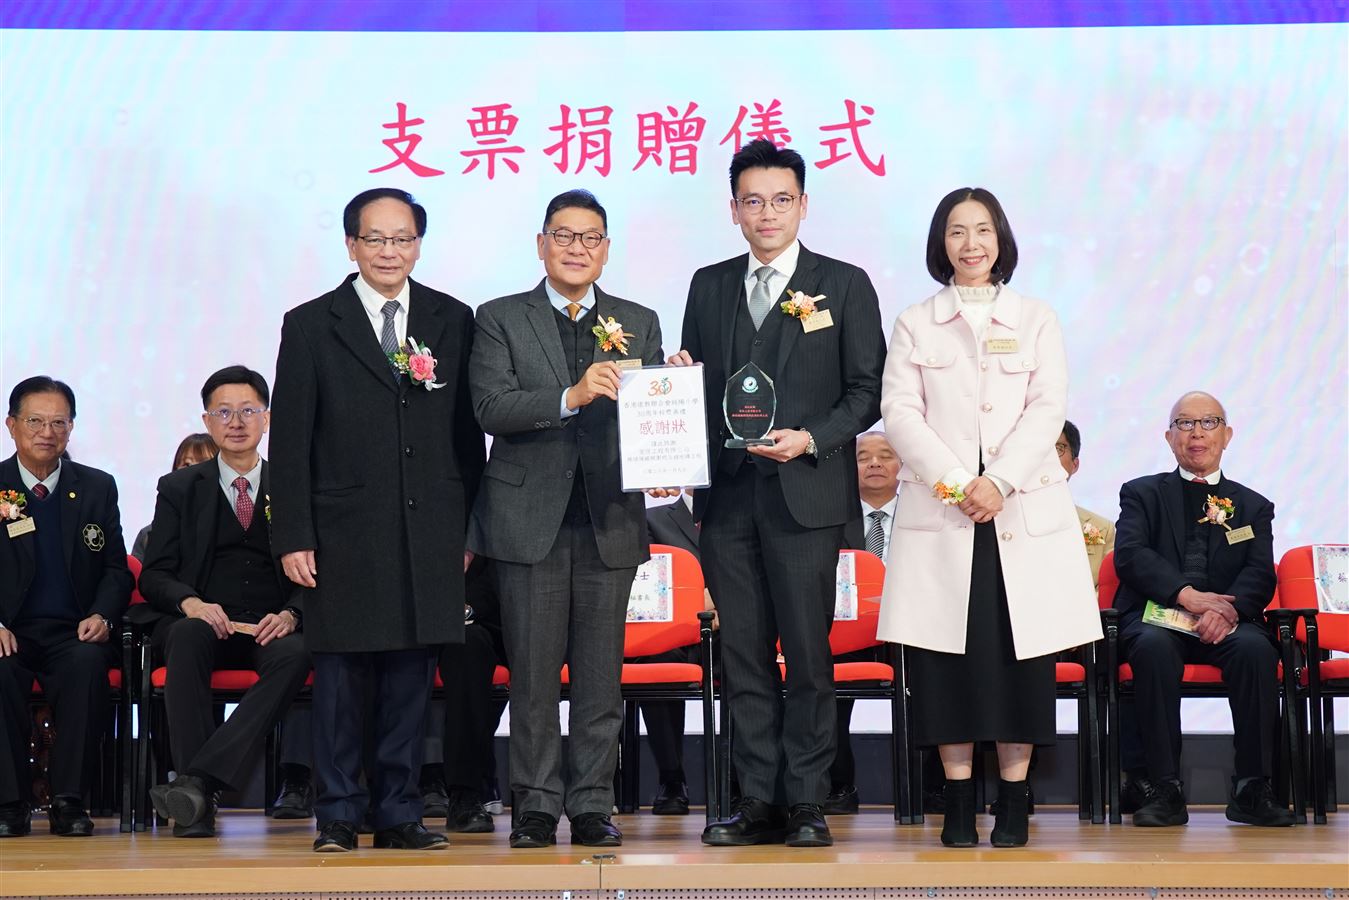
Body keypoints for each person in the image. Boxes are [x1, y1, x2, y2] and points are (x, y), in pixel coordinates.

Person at [665, 139, 886, 848]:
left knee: (809, 656)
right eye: (752, 200)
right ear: (733, 209)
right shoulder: (708, 284)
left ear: (803, 205)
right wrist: (674, 390)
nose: (767, 213)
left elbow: (867, 391)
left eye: (781, 199)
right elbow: (699, 391)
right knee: (744, 657)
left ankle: (807, 801)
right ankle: (756, 799)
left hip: (806, 497)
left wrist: (811, 438)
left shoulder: (842, 284)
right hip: (729, 499)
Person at [876, 187, 1101, 848]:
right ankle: (954, 800)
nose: (970, 244)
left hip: (1018, 508)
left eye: (981, 230)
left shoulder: (1035, 318)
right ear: (939, 243)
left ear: (1000, 239)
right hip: (943, 512)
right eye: (956, 231)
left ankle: (1012, 799)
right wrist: (956, 483)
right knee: (945, 663)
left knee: (1017, 662)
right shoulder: (916, 321)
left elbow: (1047, 406)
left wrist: (998, 481)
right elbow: (900, 412)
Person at [270, 187, 485, 853]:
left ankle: (398, 813)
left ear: (418, 244)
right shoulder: (311, 324)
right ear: (351, 245)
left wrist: (468, 530)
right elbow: (291, 442)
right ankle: (338, 813)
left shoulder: (452, 318)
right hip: (344, 532)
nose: (389, 251)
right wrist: (294, 534)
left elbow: (467, 437)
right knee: (341, 679)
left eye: (402, 239)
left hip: (430, 531)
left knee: (409, 680)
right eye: (375, 239)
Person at [468, 189, 662, 849]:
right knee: (532, 676)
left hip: (609, 521)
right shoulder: (499, 317)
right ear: (541, 244)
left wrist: (671, 426)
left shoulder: (638, 319)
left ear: (606, 249)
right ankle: (533, 806)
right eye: (563, 235)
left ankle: (591, 805)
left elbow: (649, 416)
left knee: (601, 679)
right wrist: (569, 396)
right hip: (528, 523)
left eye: (590, 237)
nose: (577, 248)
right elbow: (491, 407)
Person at [140, 366, 310, 838]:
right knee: (186, 636)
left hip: (270, 626)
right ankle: (200, 801)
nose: (237, 422)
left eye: (248, 411)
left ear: (267, 418)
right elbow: (154, 574)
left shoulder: (295, 485)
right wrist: (191, 603)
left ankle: (196, 786)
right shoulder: (179, 488)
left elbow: (321, 568)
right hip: (204, 621)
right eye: (224, 412)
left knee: (298, 652)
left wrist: (293, 612)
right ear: (208, 421)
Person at [1113, 391, 1292, 828]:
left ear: (1226, 435)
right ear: (1169, 437)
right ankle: (1163, 787)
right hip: (1161, 617)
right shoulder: (1141, 494)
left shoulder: (1252, 505)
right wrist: (1185, 595)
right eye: (1185, 423)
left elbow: (1259, 572)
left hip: (1226, 623)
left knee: (1256, 651)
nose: (1197, 433)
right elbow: (1131, 555)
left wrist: (1225, 612)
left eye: (1209, 423)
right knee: (1152, 648)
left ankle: (1252, 787)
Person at [0, 376, 132, 837]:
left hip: (73, 631)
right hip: (9, 631)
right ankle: (9, 803)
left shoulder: (96, 487)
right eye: (35, 421)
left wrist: (102, 616)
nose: (47, 432)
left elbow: (117, 569)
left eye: (59, 422)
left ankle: (68, 800)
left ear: (71, 428)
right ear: (11, 425)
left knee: (87, 666)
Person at [826, 431, 900, 815]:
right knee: (827, 679)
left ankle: (931, 786)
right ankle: (838, 786)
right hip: (847, 630)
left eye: (885, 455)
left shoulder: (924, 516)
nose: (874, 463)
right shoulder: (830, 518)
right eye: (862, 457)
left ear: (904, 464)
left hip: (909, 627)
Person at [635, 489, 714, 815]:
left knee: (749, 659)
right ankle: (671, 779)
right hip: (672, 634)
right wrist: (700, 602)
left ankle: (740, 783)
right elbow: (651, 588)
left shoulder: (742, 513)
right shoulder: (652, 519)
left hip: (728, 630)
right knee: (656, 660)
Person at [130, 433, 218, 562]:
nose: (193, 472)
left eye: (203, 463)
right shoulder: (148, 535)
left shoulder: (234, 529)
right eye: (186, 465)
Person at [1058, 420, 1114, 588]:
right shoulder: (1002, 521)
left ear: (1075, 465)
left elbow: (1106, 590)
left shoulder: (1102, 529)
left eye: (1058, 448)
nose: (1047, 458)